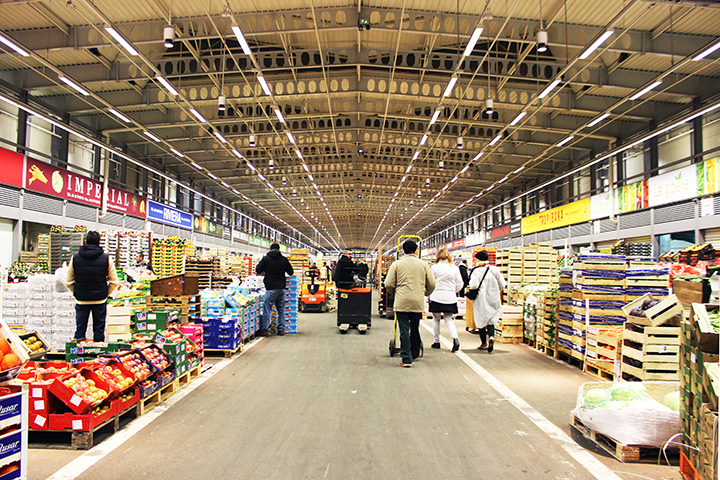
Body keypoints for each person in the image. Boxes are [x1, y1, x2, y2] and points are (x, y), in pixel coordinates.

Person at [384, 240, 436, 367]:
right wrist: (425, 293)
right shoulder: (423, 265)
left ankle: (406, 358)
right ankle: (415, 353)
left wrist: (394, 293)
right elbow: (432, 283)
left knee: (404, 330)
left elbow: (388, 283)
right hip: (417, 301)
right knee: (415, 328)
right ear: (416, 251)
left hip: (401, 301)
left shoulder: (397, 264)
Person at [66, 230, 119, 342]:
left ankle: (78, 351)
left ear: (85, 242)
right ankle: (99, 351)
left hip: (81, 300)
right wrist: (105, 293)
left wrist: (76, 292)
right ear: (99, 242)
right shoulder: (106, 258)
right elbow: (114, 282)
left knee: (80, 330)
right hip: (100, 300)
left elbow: (68, 281)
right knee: (99, 331)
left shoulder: (75, 258)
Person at [467, 250, 506, 353]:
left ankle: (484, 343)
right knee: (491, 319)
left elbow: (474, 285)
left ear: (478, 260)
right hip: (493, 297)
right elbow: (502, 284)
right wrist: (496, 290)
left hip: (481, 298)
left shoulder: (477, 271)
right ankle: (491, 337)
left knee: (481, 320)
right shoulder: (494, 269)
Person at [429, 248, 464, 352]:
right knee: (449, 319)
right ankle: (455, 339)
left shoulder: (434, 267)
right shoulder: (454, 268)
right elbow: (460, 283)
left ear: (438, 256)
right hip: (450, 297)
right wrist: (453, 290)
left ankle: (436, 342)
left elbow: (431, 282)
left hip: (436, 296)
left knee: (436, 318)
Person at [255, 243, 294, 336]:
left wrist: (265, 269)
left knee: (267, 309)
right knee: (281, 309)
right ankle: (281, 329)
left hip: (270, 288)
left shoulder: (266, 259)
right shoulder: (284, 259)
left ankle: (264, 329)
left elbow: (258, 270)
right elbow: (291, 272)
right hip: (281, 288)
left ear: (270, 249)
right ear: (279, 249)